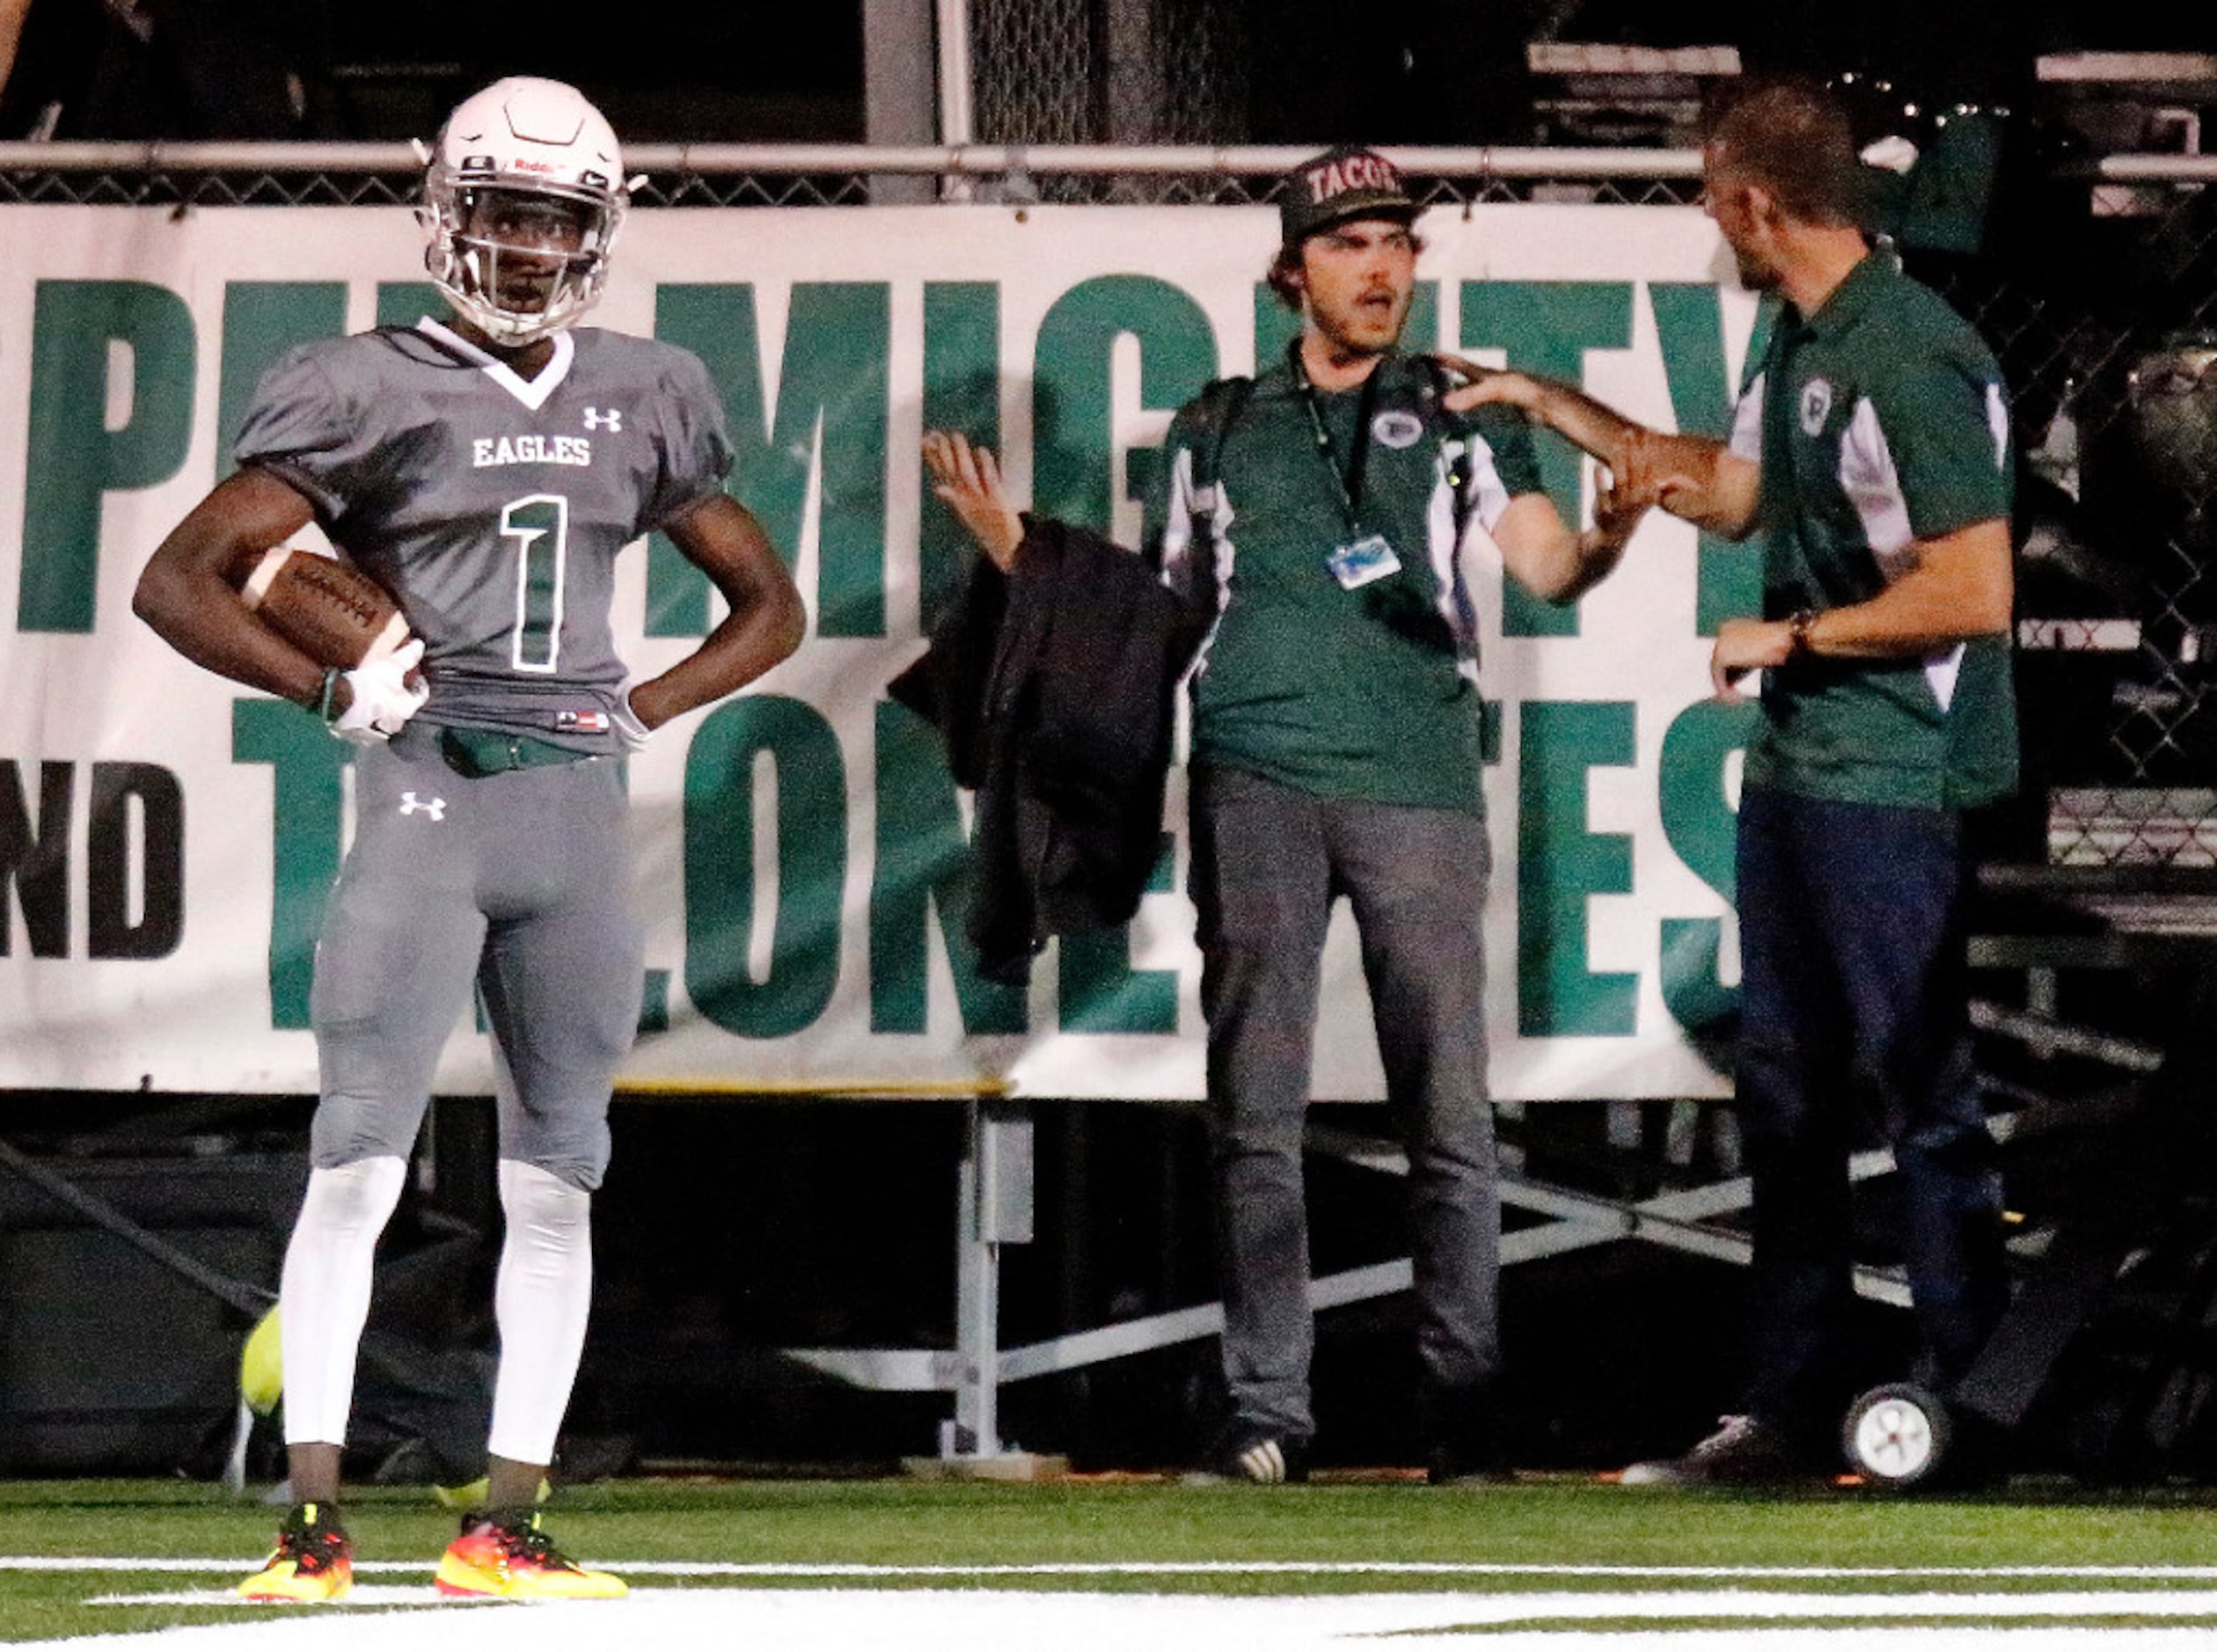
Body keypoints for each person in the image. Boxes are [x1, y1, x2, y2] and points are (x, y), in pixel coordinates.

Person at [133, 76, 804, 1596]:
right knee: (357, 1159)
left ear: (597, 231)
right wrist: (323, 683)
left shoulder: (649, 386)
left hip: (574, 801)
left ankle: (507, 1517)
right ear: (448, 208)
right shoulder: (359, 382)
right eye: (501, 210)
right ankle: (308, 1524)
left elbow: (771, 604)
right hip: (430, 785)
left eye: (553, 218)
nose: (521, 243)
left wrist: (643, 706)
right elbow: (182, 580)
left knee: (560, 1173)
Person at [925, 144, 1647, 1483]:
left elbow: (1547, 561)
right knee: (1255, 1110)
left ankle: (1464, 1404)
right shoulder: (1217, 427)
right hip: (1252, 778)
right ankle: (1268, 1409)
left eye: (1399, 245)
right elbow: (1160, 618)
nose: (1383, 268)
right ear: (1291, 272)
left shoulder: (1466, 409)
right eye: (1353, 245)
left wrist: (1612, 531)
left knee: (1451, 1108)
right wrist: (1017, 554)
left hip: (1419, 784)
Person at [1447, 76, 2016, 1483]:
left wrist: (1796, 633)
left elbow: (1977, 584)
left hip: (1901, 771)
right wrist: (1551, 406)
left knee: (1918, 1089)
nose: (1710, 218)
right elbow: (1731, 488)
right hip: (1807, 763)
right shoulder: (1805, 330)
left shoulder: (1911, 353)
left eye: (1711, 193)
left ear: (1756, 202)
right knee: (1785, 1095)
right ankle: (1790, 1400)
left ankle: (1969, 1396)